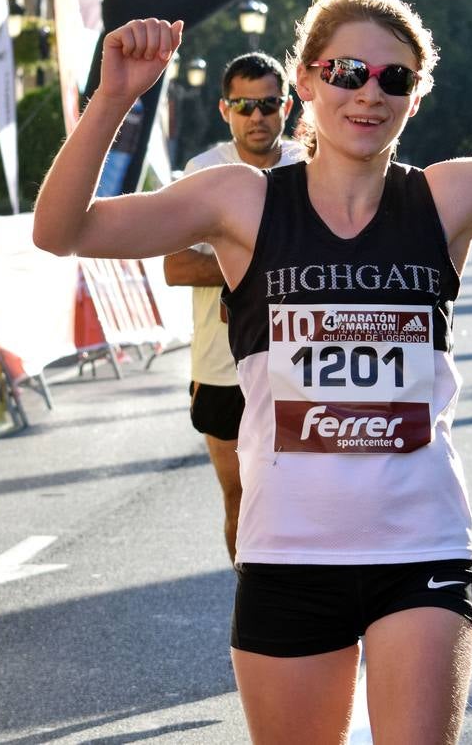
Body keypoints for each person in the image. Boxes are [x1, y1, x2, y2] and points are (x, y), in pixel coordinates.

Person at [32, 0, 472, 743]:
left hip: (420, 550)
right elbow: (62, 231)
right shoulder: (240, 203)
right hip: (287, 557)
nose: (368, 93)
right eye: (348, 71)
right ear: (306, 82)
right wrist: (114, 96)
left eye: (394, 80)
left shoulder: (449, 197)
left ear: (415, 97)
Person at [163, 52, 304, 562]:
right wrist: (267, 267)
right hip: (222, 367)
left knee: (303, 499)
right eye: (244, 105)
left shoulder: (310, 167)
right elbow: (176, 267)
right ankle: (253, 607)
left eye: (268, 104)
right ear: (226, 110)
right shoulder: (203, 172)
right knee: (239, 497)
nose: (257, 117)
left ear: (286, 106)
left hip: (301, 363)